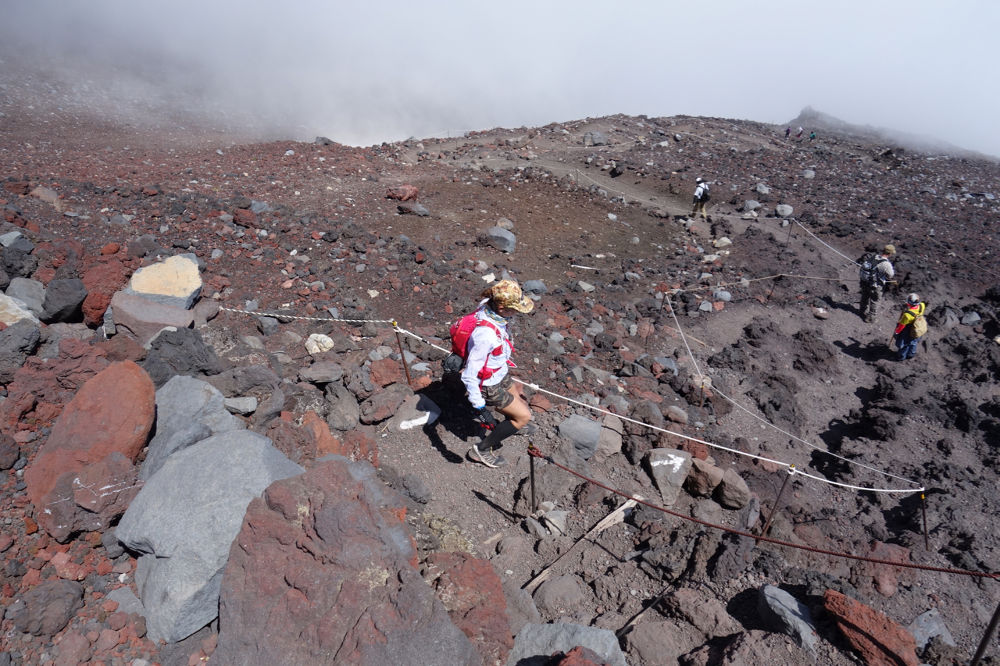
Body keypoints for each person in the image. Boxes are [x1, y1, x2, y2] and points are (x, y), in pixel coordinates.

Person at [461, 279, 536, 468]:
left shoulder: (489, 308)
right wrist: (480, 407)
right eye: (514, 309)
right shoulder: (485, 335)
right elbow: (470, 373)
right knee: (524, 417)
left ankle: (511, 423)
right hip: (489, 384)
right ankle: (482, 449)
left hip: (500, 373)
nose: (518, 313)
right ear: (501, 307)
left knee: (517, 399)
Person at [857, 244, 896, 323]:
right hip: (875, 285)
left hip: (865, 282)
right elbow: (890, 275)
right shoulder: (886, 264)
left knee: (865, 296)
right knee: (875, 301)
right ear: (890, 253)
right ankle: (870, 318)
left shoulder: (874, 257)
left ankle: (861, 311)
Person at [891, 293, 926, 360]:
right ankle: (911, 354)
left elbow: (901, 326)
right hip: (918, 327)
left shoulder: (907, 315)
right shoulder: (922, 305)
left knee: (905, 344)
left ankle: (901, 356)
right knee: (914, 342)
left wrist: (896, 332)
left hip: (909, 329)